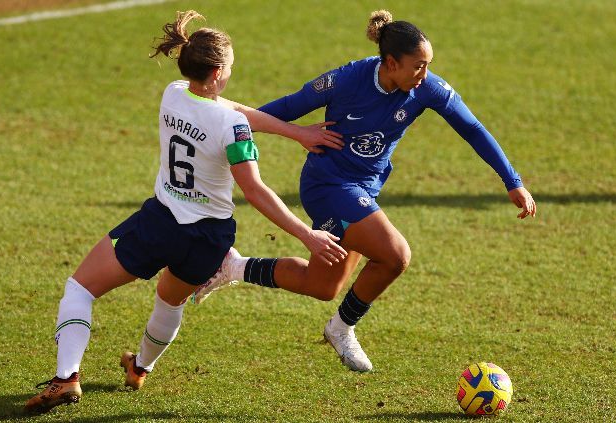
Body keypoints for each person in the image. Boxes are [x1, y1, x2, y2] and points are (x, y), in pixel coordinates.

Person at [24, 10, 347, 414]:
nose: (231, 73)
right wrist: (306, 234)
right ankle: (140, 368)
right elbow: (255, 189)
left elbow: (229, 108)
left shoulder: (174, 92)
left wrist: (296, 131)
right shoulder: (232, 127)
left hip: (160, 223)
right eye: (230, 66)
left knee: (80, 290)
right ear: (216, 73)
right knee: (169, 301)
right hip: (209, 239)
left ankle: (67, 378)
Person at [193, 10, 537, 373]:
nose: (425, 75)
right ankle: (342, 329)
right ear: (390, 63)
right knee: (395, 255)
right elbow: (289, 106)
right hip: (327, 185)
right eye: (418, 66)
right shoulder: (347, 79)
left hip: (362, 191)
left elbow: (472, 127)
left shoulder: (425, 89)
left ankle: (233, 266)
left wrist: (512, 180)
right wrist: (225, 122)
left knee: (322, 284)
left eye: (428, 65)